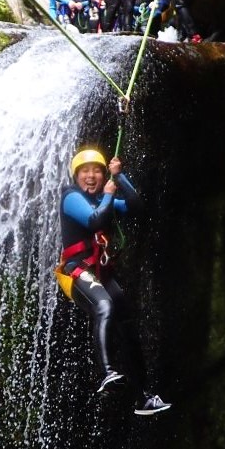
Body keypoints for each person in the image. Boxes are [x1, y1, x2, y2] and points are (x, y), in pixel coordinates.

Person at [56, 147, 171, 415]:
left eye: (97, 170)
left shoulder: (103, 200)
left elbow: (135, 206)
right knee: (104, 306)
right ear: (77, 176)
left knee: (128, 328)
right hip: (76, 271)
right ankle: (107, 373)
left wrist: (119, 177)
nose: (92, 176)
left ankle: (145, 396)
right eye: (85, 171)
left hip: (101, 274)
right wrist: (108, 194)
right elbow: (95, 221)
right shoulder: (70, 197)